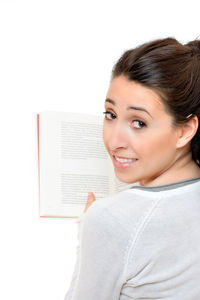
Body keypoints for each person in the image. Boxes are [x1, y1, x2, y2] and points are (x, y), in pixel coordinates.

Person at [64, 37, 200, 300]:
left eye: (139, 123)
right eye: (110, 115)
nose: (114, 142)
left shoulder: (110, 220)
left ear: (185, 130)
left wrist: (89, 231)